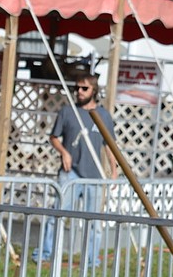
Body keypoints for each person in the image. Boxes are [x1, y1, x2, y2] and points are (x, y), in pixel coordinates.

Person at [33, 70, 118, 266]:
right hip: (70, 173)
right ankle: (45, 254)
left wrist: (114, 171)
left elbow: (110, 145)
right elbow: (54, 137)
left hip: (94, 175)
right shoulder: (67, 112)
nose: (79, 91)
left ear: (93, 90)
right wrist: (64, 152)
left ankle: (91, 260)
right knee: (57, 215)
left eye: (84, 88)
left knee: (94, 222)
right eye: (76, 88)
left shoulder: (103, 115)